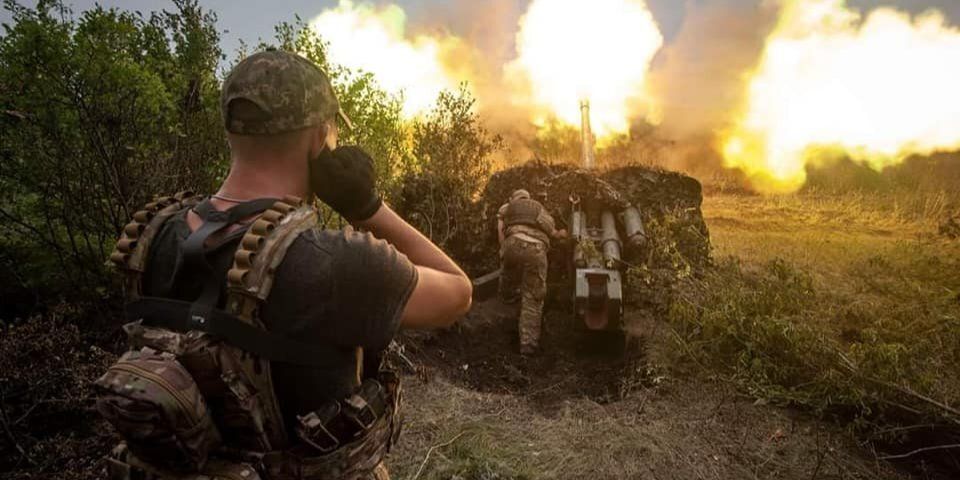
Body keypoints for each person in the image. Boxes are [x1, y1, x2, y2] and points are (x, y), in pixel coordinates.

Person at [99, 49, 472, 480]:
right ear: (320, 137)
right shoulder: (337, 262)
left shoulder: (152, 238)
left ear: (231, 131)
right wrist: (368, 208)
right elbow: (457, 291)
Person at [497, 189, 566, 355]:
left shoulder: (508, 207)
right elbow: (552, 232)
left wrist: (503, 247)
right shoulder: (538, 208)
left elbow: (500, 226)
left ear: (513, 198)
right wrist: (562, 234)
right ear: (529, 198)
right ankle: (528, 345)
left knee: (508, 271)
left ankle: (507, 296)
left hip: (512, 243)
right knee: (533, 296)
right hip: (536, 249)